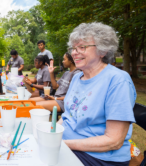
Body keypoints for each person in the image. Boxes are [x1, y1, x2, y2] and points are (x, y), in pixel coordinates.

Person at [58, 22, 136, 166]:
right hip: (67, 145)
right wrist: (53, 132)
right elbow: (67, 115)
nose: (74, 52)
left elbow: (114, 141)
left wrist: (62, 144)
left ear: (103, 50)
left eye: (82, 47)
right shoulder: (76, 77)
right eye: (73, 48)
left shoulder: (118, 80)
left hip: (99, 157)